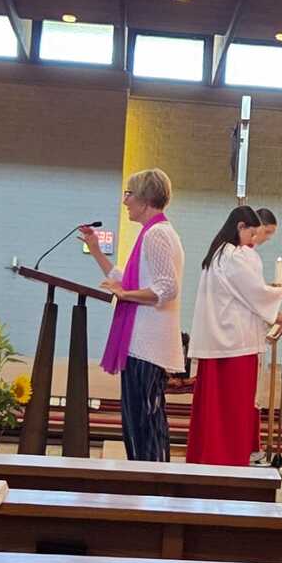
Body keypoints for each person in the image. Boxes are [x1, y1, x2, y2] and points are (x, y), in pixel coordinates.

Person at [80, 168, 184, 462]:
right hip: (142, 343)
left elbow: (167, 288)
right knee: (139, 422)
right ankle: (147, 477)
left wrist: (125, 295)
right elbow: (125, 280)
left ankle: (151, 480)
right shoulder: (154, 232)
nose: (125, 201)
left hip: (147, 344)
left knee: (144, 423)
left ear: (145, 198)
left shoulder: (157, 234)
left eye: (129, 194)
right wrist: (96, 250)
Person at [187, 206, 282, 466]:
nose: (253, 240)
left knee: (215, 407)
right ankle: (228, 459)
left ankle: (209, 456)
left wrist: (274, 315)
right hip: (234, 343)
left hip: (220, 340)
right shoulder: (234, 255)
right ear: (240, 227)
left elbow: (240, 296)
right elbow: (254, 291)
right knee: (233, 407)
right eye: (252, 234)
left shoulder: (218, 253)